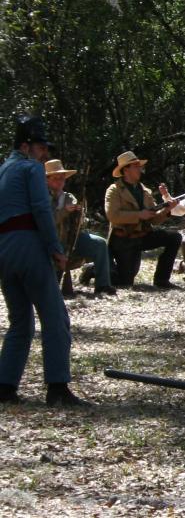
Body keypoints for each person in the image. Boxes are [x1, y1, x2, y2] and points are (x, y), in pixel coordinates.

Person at [0, 114, 90, 406]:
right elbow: (41, 209)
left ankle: (5, 385)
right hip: (28, 244)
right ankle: (57, 387)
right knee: (55, 317)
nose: (45, 154)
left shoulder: (3, 169)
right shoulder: (30, 169)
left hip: (4, 249)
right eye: (41, 147)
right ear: (27, 146)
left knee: (19, 322)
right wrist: (55, 247)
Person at [105, 151, 181, 289]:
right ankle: (93, 269)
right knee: (124, 282)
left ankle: (162, 279)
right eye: (136, 166)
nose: (140, 169)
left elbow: (154, 220)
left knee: (174, 237)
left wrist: (167, 209)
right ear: (126, 169)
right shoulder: (114, 190)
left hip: (142, 236)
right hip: (123, 240)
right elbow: (113, 215)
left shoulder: (145, 191)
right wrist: (139, 215)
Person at [44, 159, 116, 297]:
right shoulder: (41, 198)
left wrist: (78, 213)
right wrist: (64, 211)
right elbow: (47, 222)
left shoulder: (69, 197)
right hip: (48, 243)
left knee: (100, 243)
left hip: (71, 240)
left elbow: (78, 225)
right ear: (46, 180)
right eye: (55, 178)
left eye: (62, 178)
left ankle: (103, 285)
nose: (59, 182)